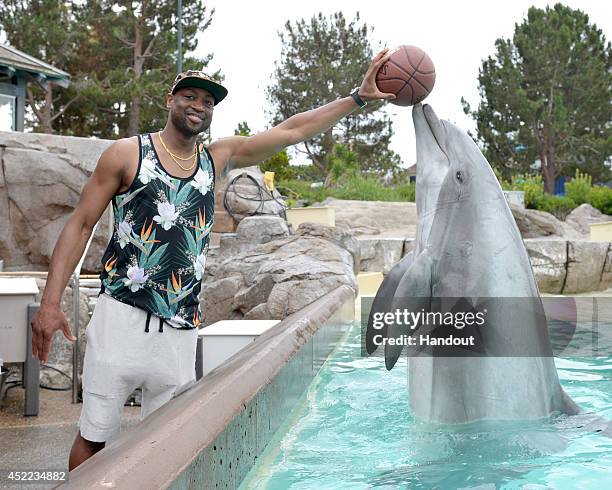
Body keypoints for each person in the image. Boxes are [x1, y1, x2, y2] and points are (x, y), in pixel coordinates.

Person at [30, 49, 395, 470]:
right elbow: (80, 225)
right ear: (170, 100)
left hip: (180, 330)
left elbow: (293, 131)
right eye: (189, 96)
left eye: (208, 101)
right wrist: (51, 303)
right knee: (94, 440)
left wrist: (358, 98)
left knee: (163, 447)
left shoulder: (216, 158)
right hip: (121, 319)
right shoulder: (128, 154)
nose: (198, 106)